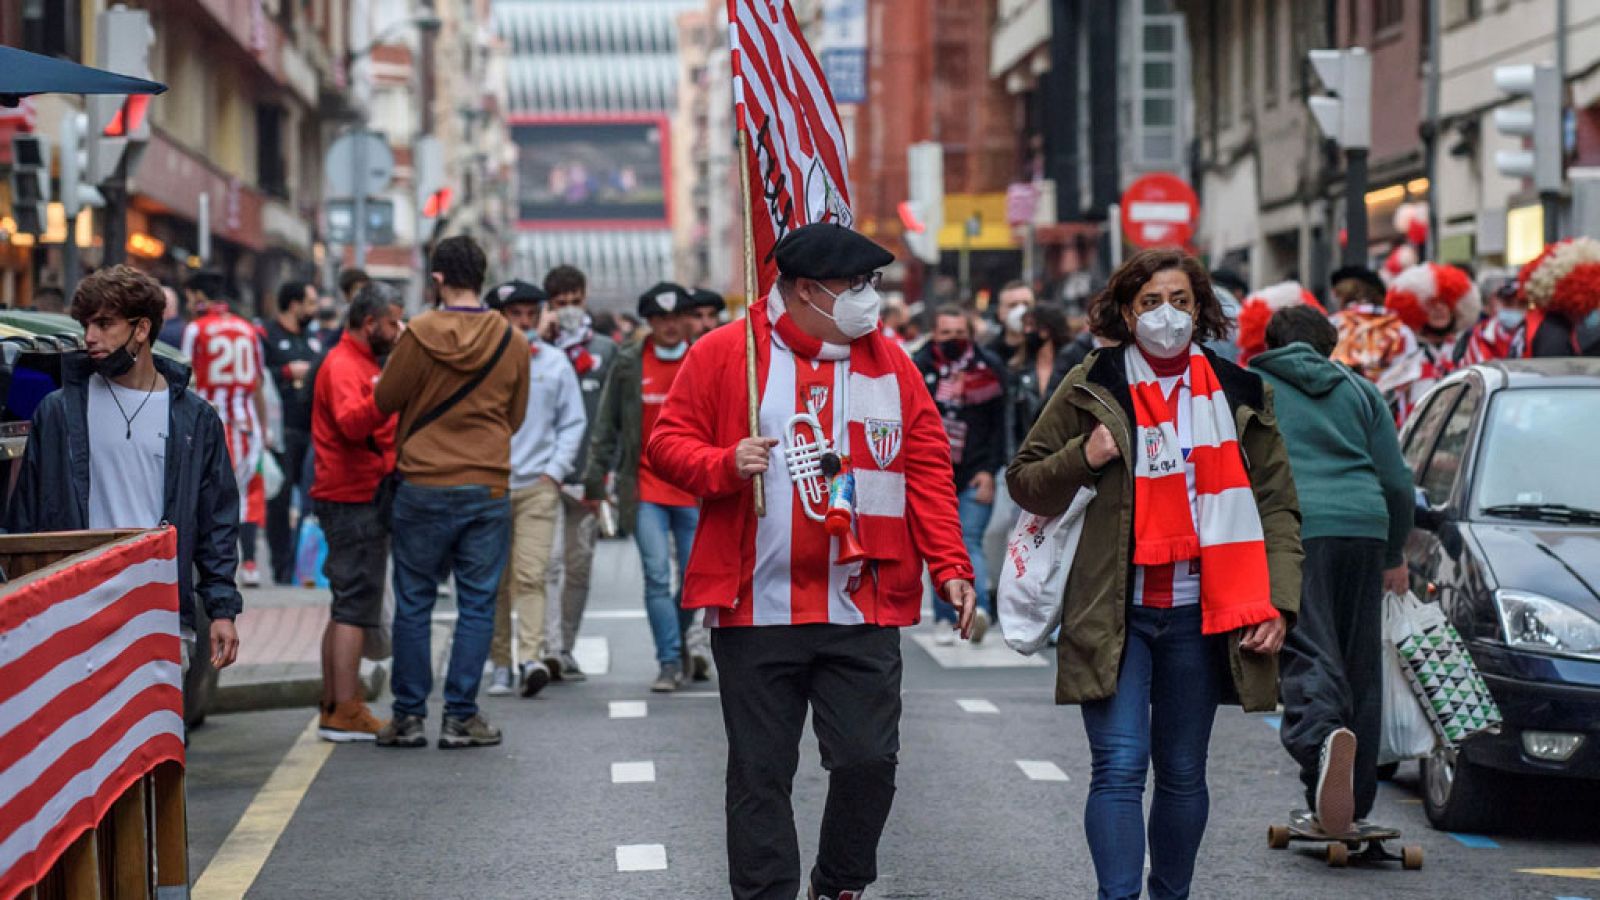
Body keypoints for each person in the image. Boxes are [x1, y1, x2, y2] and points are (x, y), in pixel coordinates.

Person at [647, 223, 977, 900]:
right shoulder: (724, 354)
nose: (869, 298)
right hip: (755, 605)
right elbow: (665, 444)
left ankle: (841, 882)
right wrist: (723, 462)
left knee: (868, 760)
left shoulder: (892, 364)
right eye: (854, 285)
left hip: (862, 601)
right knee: (759, 774)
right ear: (803, 290)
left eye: (872, 284)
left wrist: (951, 566)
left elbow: (927, 470)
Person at [1007, 247, 1300, 900]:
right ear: (1125, 310)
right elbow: (1025, 479)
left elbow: (1277, 505)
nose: (1166, 316)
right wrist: (1085, 455)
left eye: (1180, 302)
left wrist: (1276, 602)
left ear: (1200, 312)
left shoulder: (1242, 391)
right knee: (1117, 766)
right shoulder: (1092, 382)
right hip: (1114, 611)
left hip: (1205, 611)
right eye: (1150, 302)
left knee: (1183, 773)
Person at [7, 265, 242, 678]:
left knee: (159, 741)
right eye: (86, 325)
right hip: (77, 608)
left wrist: (222, 610)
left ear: (141, 328)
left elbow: (216, 522)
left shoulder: (194, 420)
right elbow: (28, 516)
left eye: (104, 323)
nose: (90, 337)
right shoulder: (60, 411)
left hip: (161, 609)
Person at [1250, 305, 1413, 835]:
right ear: (1329, 345)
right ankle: (1351, 805)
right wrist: (1393, 554)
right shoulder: (1361, 390)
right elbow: (1396, 482)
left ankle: (1323, 743)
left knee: (1308, 647)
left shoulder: (1252, 386)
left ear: (1271, 342)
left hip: (1294, 528)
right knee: (1359, 662)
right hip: (1365, 525)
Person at [373, 236, 529, 749]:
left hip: (422, 481)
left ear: (437, 278)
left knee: (415, 602)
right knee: (479, 604)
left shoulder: (417, 334)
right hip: (486, 483)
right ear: (482, 275)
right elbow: (515, 416)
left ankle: (410, 715)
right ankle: (461, 716)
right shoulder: (511, 339)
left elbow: (386, 399)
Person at [585, 282, 701, 692]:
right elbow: (607, 423)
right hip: (647, 487)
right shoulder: (629, 361)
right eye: (661, 319)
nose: (669, 326)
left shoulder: (705, 358)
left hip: (697, 488)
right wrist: (595, 477)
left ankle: (681, 641)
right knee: (655, 576)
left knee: (693, 581)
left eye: (675, 318)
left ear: (686, 320)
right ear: (649, 322)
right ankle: (668, 660)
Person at [485, 280, 587, 698]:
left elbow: (572, 421)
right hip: (489, 486)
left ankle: (529, 657)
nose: (524, 322)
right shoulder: (481, 362)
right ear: (498, 317)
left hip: (536, 487)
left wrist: (554, 472)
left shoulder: (554, 362)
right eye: (516, 314)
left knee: (532, 575)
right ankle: (500, 664)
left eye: (531, 314)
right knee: (495, 582)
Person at [310, 284, 401, 742]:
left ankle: (336, 702)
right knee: (355, 606)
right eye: (392, 322)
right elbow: (351, 423)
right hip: (353, 495)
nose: (398, 330)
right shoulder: (346, 365)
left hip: (351, 493)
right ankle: (344, 708)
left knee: (346, 602)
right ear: (370, 323)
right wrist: (388, 395)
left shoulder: (356, 362)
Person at [540, 264, 619, 682]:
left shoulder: (605, 350)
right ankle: (550, 648)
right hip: (545, 474)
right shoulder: (536, 349)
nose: (569, 310)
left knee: (579, 565)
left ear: (584, 299)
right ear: (548, 306)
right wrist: (541, 337)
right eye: (560, 304)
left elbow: (615, 419)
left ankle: (566, 646)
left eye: (575, 302)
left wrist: (607, 474)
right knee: (548, 564)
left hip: (588, 476)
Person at [913, 304, 1006, 644]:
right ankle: (942, 616)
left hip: (975, 472)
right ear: (934, 335)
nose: (954, 340)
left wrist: (989, 470)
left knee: (969, 541)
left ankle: (977, 609)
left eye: (960, 333)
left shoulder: (990, 368)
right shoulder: (918, 368)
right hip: (931, 474)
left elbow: (1000, 426)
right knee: (938, 543)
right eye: (946, 333)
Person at [182, 270, 269, 589]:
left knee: (211, 497)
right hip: (247, 426)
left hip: (210, 425)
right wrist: (264, 429)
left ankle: (215, 567)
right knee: (247, 495)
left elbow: (188, 378)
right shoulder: (249, 330)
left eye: (190, 296)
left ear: (199, 297)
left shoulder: (196, 329)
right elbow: (258, 384)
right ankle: (249, 564)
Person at [261, 280, 325, 585]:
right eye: (310, 303)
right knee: (280, 502)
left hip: (310, 429)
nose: (314, 310)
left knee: (311, 501)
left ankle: (304, 564)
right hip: (282, 431)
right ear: (294, 304)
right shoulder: (268, 337)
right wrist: (287, 372)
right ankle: (281, 567)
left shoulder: (313, 340)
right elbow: (257, 378)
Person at [1381, 263, 1480, 421]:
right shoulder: (1404, 349)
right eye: (1431, 304)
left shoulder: (1470, 346)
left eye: (1444, 302)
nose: (1439, 309)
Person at [1456, 279, 1524, 365]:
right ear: (1498, 302)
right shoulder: (1479, 334)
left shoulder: (1534, 337)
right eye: (1509, 303)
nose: (1515, 309)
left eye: (1522, 304)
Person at [987, 280, 1035, 361]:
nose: (1021, 310)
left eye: (1026, 304)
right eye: (1013, 305)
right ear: (1000, 312)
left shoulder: (1045, 351)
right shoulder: (989, 355)